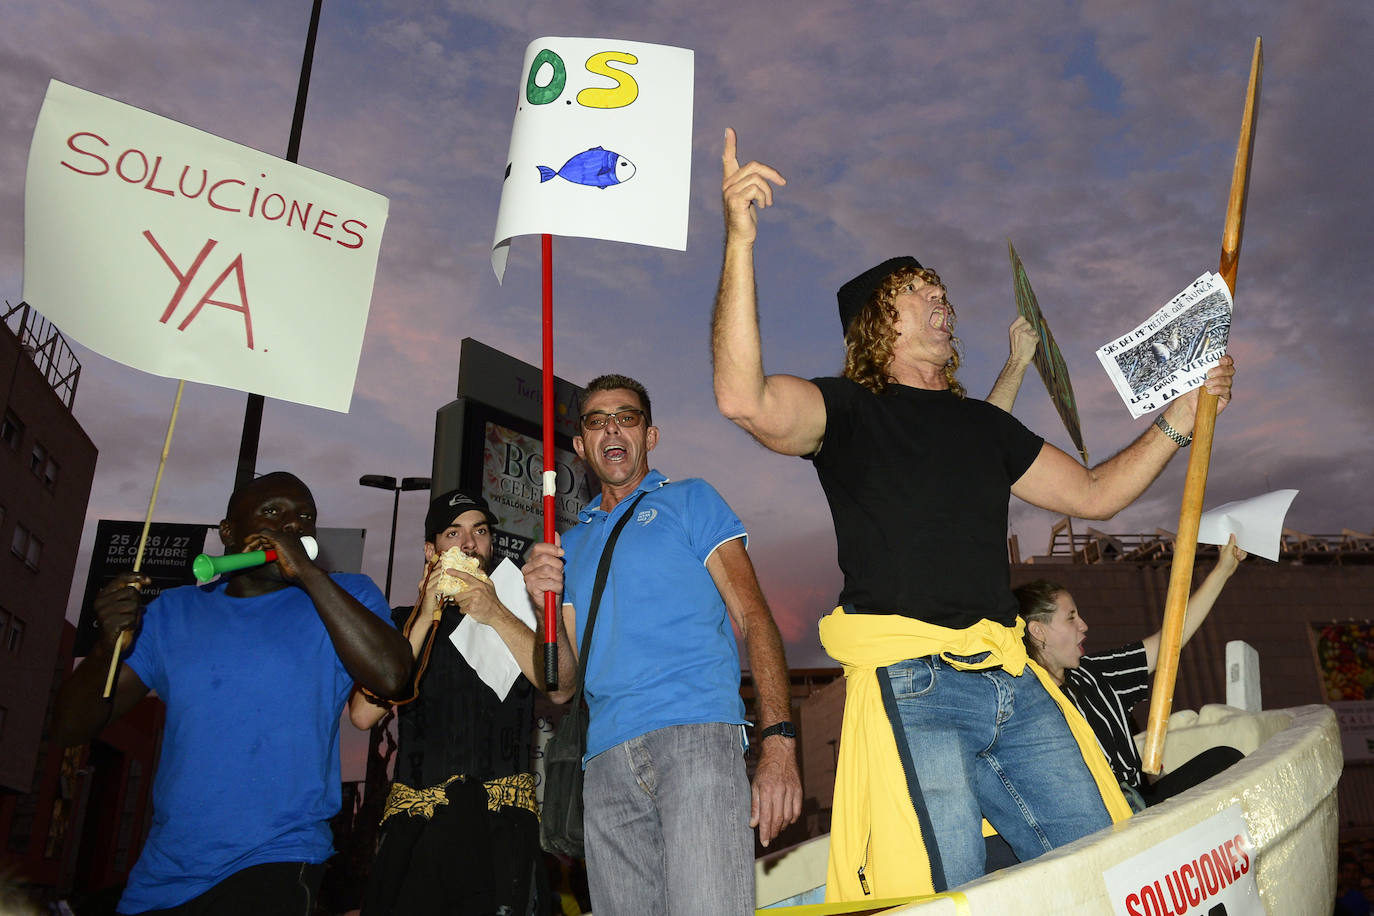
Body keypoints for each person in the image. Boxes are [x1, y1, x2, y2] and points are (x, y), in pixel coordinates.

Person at [710, 128, 1237, 899]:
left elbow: (1096, 494)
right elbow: (742, 398)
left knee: (1101, 868)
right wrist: (740, 240)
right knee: (948, 890)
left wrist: (1179, 419)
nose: (944, 301)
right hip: (917, 684)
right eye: (921, 291)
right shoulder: (847, 410)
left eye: (944, 293)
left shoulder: (986, 426)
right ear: (880, 321)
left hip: (1014, 679)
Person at [52, 472, 411, 916]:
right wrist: (106, 646)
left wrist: (307, 574)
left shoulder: (347, 596)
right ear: (228, 532)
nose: (291, 525)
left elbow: (392, 675)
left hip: (275, 860)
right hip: (165, 872)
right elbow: (70, 728)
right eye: (272, 511)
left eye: (305, 517)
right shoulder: (172, 612)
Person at [522, 374, 802, 916]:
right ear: (580, 445)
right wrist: (542, 609)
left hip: (696, 738)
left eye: (626, 417)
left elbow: (755, 617)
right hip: (604, 761)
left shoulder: (691, 499)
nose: (613, 429)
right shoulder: (568, 544)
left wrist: (779, 743)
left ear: (649, 436)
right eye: (597, 421)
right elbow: (559, 688)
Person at [348, 490, 546, 915]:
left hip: (501, 824)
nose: (469, 544)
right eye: (453, 533)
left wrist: (495, 613)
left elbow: (555, 683)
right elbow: (362, 714)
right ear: (431, 550)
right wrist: (424, 614)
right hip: (419, 823)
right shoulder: (402, 621)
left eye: (480, 531)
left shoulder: (522, 613)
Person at [1015, 534, 1248, 809]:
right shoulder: (1023, 703)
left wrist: (1222, 571)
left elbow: (1169, 641)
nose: (1084, 625)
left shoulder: (1092, 674)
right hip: (1104, 821)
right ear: (1038, 631)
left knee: (1225, 759)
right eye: (1071, 618)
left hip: (1142, 804)